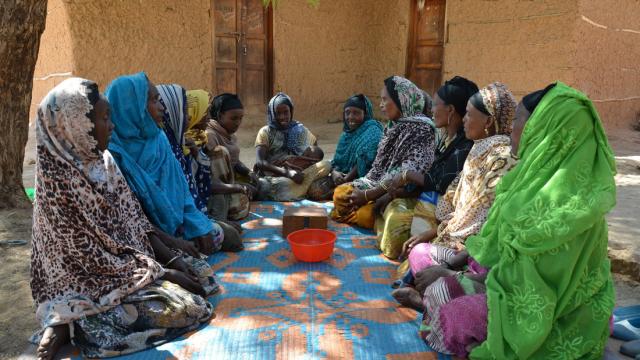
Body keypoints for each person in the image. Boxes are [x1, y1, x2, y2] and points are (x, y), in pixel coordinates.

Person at [419, 82, 616, 358]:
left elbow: (536, 298)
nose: (511, 129)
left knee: (452, 309)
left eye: (518, 122)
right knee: (441, 289)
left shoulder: (572, 207)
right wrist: (462, 276)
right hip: (508, 290)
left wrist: (459, 278)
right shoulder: (525, 180)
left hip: (557, 318)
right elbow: (502, 261)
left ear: (544, 132)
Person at [31, 78, 215, 359]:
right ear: (76, 125)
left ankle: (75, 323)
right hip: (84, 284)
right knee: (188, 307)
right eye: (105, 118)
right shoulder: (57, 178)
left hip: (125, 269)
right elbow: (87, 256)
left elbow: (137, 222)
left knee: (201, 276)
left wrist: (172, 261)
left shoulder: (105, 163)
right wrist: (162, 274)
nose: (112, 126)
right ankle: (72, 323)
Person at [391, 81, 518, 309]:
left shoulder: (502, 158)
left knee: (430, 263)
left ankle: (434, 298)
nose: (465, 121)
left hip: (476, 252)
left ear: (488, 121)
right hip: (458, 239)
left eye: (469, 115)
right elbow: (454, 203)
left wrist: (453, 248)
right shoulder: (479, 149)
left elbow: (483, 219)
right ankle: (437, 290)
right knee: (420, 253)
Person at [106, 72, 241, 254]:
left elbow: (183, 192)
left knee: (230, 237)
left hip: (181, 222)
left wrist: (197, 223)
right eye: (154, 101)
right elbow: (132, 218)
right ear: (133, 107)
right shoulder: (114, 155)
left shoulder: (159, 140)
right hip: (149, 236)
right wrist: (174, 243)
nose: (161, 107)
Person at [376, 77, 479, 259]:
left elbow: (440, 183)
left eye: (435, 105)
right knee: (391, 206)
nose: (431, 110)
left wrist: (407, 175)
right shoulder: (445, 139)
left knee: (394, 222)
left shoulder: (465, 145)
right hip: (426, 198)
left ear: (450, 110)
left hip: (442, 211)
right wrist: (401, 191)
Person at [331, 76, 436, 233]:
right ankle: (366, 215)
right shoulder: (393, 126)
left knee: (367, 215)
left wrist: (368, 195)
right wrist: (365, 189)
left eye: (385, 100)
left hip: (401, 192)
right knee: (341, 193)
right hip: (378, 183)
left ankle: (364, 216)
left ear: (401, 99)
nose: (381, 105)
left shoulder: (423, 130)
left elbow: (406, 174)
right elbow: (378, 168)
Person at [204, 93, 255, 230]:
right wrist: (237, 187)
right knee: (220, 152)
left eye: (240, 118)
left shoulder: (229, 135)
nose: (238, 122)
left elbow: (235, 162)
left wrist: (249, 173)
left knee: (257, 185)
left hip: (228, 182)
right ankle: (219, 215)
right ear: (220, 116)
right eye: (233, 118)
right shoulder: (210, 135)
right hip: (215, 189)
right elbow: (213, 175)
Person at [156, 84, 207, 212]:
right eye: (184, 110)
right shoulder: (163, 148)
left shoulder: (179, 144)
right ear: (172, 111)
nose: (189, 116)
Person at [329, 94, 383, 189]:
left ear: (365, 114)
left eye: (356, 113)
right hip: (342, 177)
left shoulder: (373, 130)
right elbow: (336, 162)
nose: (350, 117)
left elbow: (364, 158)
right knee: (316, 187)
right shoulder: (345, 135)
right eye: (347, 112)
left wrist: (345, 180)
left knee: (344, 193)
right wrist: (334, 173)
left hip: (366, 178)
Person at [185, 89, 214, 210]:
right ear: (193, 113)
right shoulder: (184, 143)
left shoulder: (200, 137)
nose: (209, 117)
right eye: (205, 113)